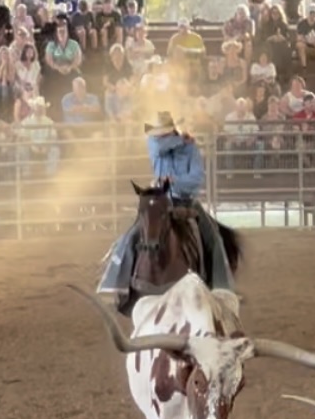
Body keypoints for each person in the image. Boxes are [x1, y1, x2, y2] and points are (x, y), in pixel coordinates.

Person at [97, 112, 235, 311]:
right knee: (132, 234)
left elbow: (196, 178)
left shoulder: (190, 148)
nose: (159, 136)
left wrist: (175, 181)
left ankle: (222, 288)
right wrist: (181, 139)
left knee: (213, 237)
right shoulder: (158, 143)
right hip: (160, 200)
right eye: (158, 133)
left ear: (171, 130)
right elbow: (160, 148)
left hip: (185, 202)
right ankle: (114, 284)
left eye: (163, 132)